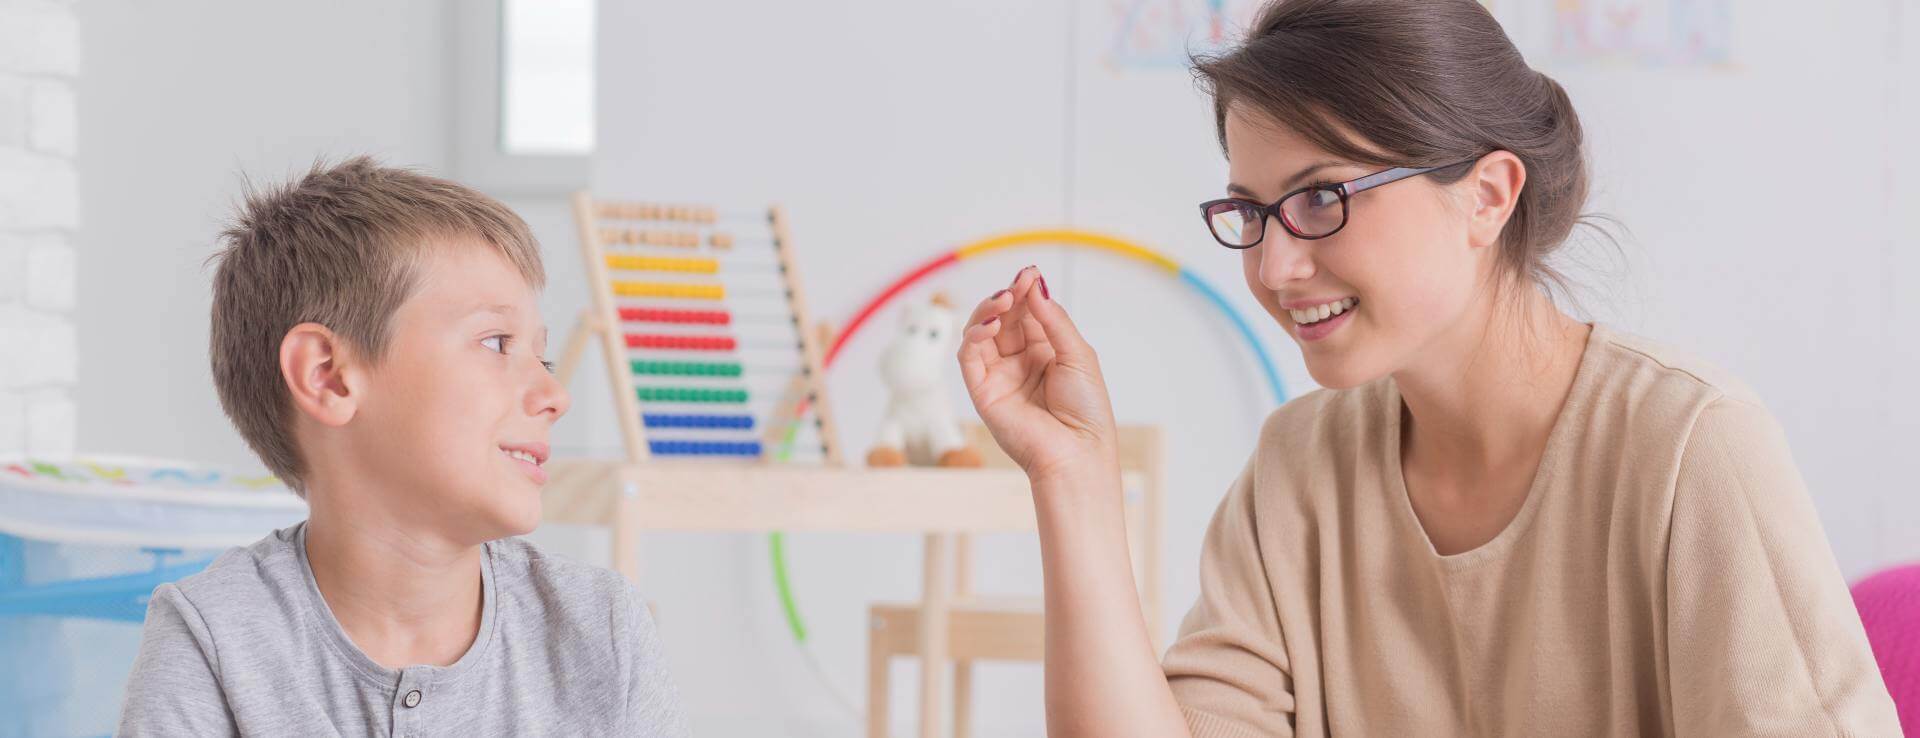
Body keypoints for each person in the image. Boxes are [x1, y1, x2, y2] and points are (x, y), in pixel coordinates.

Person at [956, 1, 1901, 735]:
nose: (1275, 267)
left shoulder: (1689, 447)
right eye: (1251, 212)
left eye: (1321, 199)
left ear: (1487, 196)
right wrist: (1073, 476)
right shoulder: (1299, 472)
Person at [116, 157, 689, 736]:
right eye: (496, 343)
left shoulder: (602, 629)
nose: (554, 395)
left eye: (542, 359)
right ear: (328, 377)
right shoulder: (212, 638)